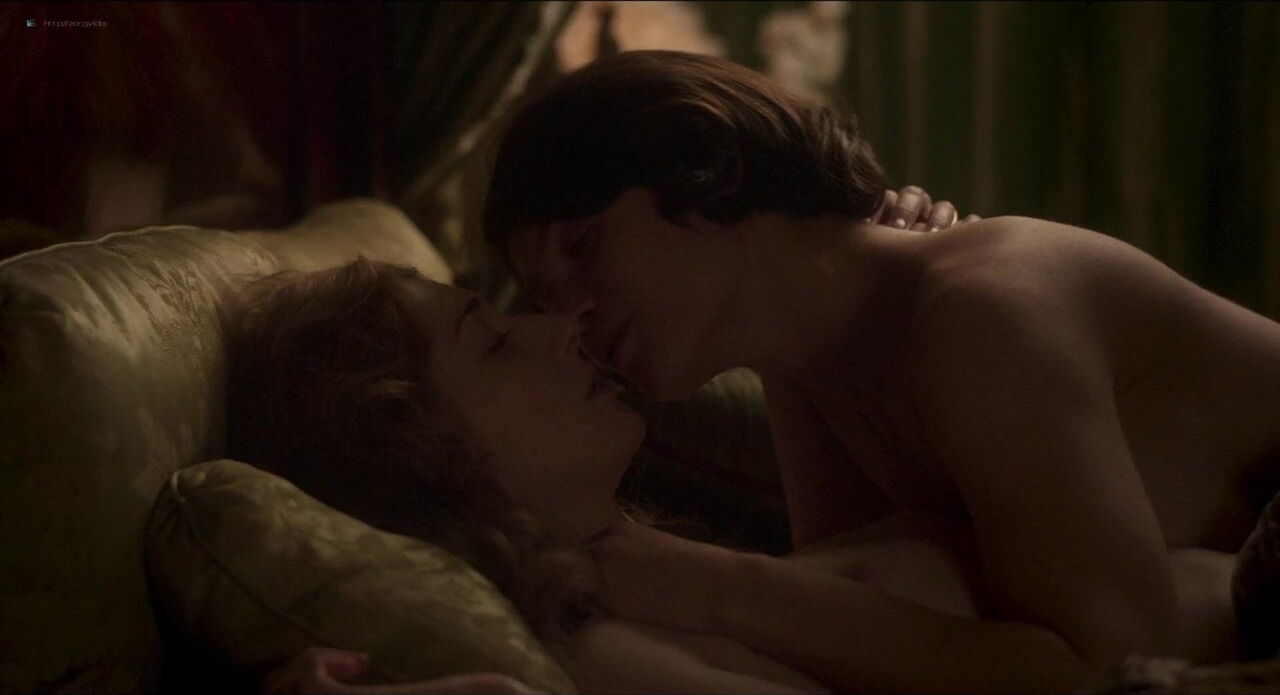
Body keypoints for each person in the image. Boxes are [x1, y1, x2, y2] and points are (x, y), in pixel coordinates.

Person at [482, 50, 1279, 692]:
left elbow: (1110, 670)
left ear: (705, 168)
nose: (571, 318)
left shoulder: (981, 312)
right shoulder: (805, 353)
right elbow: (871, 617)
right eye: (547, 299)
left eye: (583, 247)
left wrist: (709, 582)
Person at [226, 258, 990, 694]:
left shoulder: (651, 574)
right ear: (414, 452)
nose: (560, 328)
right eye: (493, 344)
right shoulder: (603, 650)